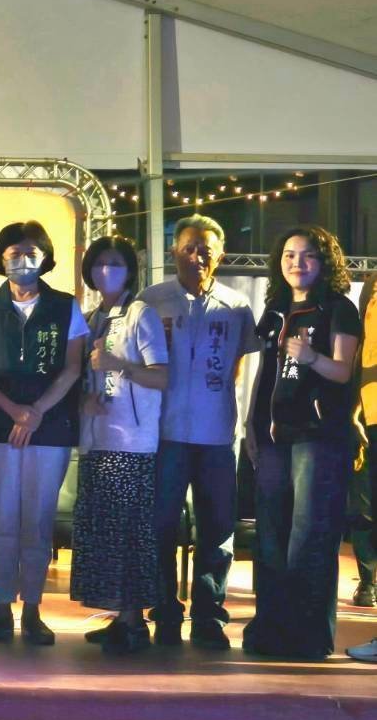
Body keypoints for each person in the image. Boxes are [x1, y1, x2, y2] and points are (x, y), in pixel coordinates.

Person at [139, 214, 260, 650]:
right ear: (174, 251)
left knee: (217, 529)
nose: (197, 256)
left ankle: (209, 616)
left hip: (216, 437)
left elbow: (238, 365)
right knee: (161, 527)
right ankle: (165, 613)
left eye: (205, 250)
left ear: (220, 255)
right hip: (165, 434)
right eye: (188, 248)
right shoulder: (151, 300)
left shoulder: (237, 306)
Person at [0, 220, 87, 645]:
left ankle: (33, 609)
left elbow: (73, 366)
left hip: (49, 427)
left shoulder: (66, 306)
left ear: (45, 258)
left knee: (38, 520)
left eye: (31, 253)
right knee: (1, 519)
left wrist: (36, 412)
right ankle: (1, 608)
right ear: (1, 258)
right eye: (14, 253)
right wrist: (15, 412)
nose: (23, 261)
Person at [243, 227, 359, 660]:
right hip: (273, 436)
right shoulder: (276, 309)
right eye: (289, 255)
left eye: (307, 255)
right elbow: (265, 372)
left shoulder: (338, 308)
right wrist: (251, 424)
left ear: (324, 261)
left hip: (317, 436)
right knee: (271, 536)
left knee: (310, 537)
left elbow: (343, 371)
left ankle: (308, 636)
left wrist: (310, 357)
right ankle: (271, 629)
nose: (297, 263)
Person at [70, 235, 168, 655]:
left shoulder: (141, 314)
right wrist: (83, 401)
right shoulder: (91, 318)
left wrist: (119, 366)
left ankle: (134, 621)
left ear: (130, 271)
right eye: (98, 264)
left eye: (115, 263)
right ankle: (120, 617)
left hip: (131, 442)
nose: (105, 271)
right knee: (105, 533)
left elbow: (161, 376)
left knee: (129, 533)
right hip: (96, 440)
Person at [348, 272, 377, 663]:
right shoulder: (372, 284)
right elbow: (363, 349)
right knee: (367, 511)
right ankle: (368, 581)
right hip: (372, 413)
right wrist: (354, 407)